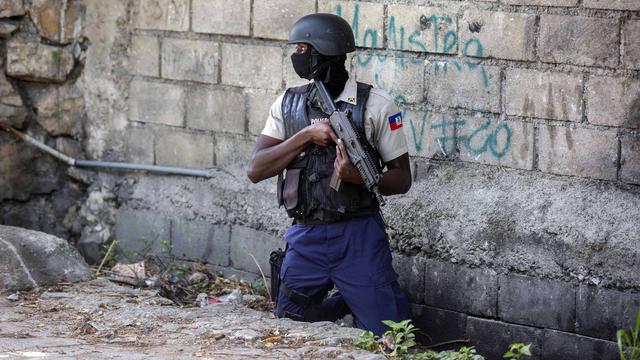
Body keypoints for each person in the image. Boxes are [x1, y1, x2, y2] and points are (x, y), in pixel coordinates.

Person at [247, 13, 411, 336]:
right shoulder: (287, 104)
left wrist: (360, 177)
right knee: (288, 320)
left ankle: (361, 299)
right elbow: (255, 169)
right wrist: (305, 136)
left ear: (321, 54)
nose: (297, 55)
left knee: (390, 333)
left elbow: (403, 179)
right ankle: (344, 302)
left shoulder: (377, 105)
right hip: (307, 234)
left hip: (358, 234)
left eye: (303, 49)